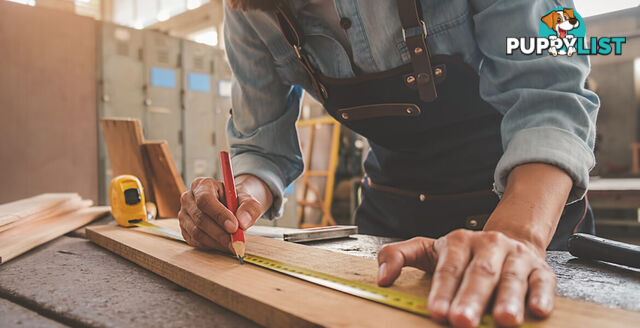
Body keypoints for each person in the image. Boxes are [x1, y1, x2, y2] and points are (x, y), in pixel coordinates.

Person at [178, 0, 599, 327]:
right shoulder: (247, 11)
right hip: (392, 210)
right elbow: (262, 147)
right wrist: (238, 202)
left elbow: (552, 97)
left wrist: (516, 236)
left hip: (523, 205)